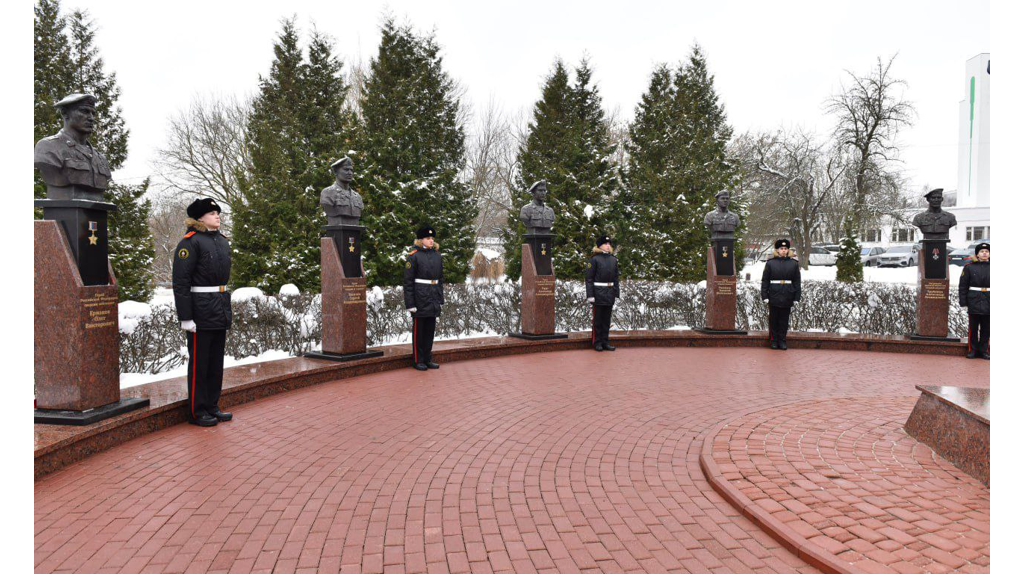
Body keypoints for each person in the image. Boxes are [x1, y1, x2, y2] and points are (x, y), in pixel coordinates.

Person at [172, 198, 233, 426]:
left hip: (219, 305)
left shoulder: (221, 241)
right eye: (212, 213)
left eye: (218, 212)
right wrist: (186, 317)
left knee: (216, 361)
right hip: (200, 309)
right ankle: (198, 411)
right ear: (200, 218)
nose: (217, 216)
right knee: (200, 362)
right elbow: (181, 282)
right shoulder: (190, 243)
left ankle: (212, 406)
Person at [403, 226, 444, 370]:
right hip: (420, 297)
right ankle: (418, 360)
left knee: (430, 331)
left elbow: (440, 279)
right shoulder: (414, 256)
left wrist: (440, 299)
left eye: (432, 238)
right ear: (421, 240)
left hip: (432, 297)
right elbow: (408, 282)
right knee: (419, 331)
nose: (431, 240)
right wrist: (410, 303)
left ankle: (427, 358)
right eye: (428, 238)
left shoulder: (437, 256)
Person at [760, 238, 801, 350]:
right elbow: (765, 281)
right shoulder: (770, 263)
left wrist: (797, 297)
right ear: (777, 250)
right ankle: (773, 341)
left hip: (788, 294)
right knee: (773, 320)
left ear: (788, 250)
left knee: (784, 320)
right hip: (774, 294)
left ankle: (782, 340)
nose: (783, 250)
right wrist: (765, 295)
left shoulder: (794, 264)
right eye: (781, 248)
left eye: (785, 248)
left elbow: (797, 281)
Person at [586, 235, 620, 352]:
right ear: (599, 245)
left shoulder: (613, 259)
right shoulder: (594, 260)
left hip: (609, 292)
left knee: (606, 320)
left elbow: (616, 278)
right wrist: (590, 295)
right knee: (598, 320)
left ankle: (605, 342)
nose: (608, 245)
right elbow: (589, 278)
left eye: (609, 244)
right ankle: (597, 342)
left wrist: (616, 292)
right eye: (606, 243)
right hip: (598, 293)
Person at [958, 242, 990, 360]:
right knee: (973, 327)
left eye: (987, 251)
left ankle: (984, 351)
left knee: (986, 328)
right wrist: (963, 302)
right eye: (982, 251)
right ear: (977, 254)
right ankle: (972, 350)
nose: (984, 253)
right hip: (974, 300)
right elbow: (963, 286)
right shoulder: (969, 267)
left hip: (989, 300)